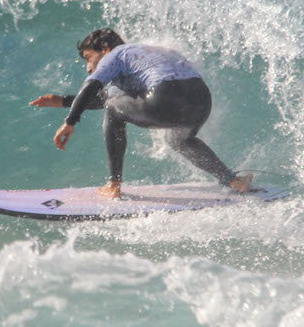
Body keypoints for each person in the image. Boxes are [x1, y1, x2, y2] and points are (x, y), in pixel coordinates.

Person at [30, 28, 251, 199]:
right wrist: (63, 101)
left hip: (165, 95)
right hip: (201, 99)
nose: (89, 67)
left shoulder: (114, 55)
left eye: (88, 58)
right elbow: (109, 98)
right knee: (179, 139)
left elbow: (93, 89)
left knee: (114, 108)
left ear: (104, 49)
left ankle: (113, 184)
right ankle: (232, 181)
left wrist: (70, 121)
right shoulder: (147, 53)